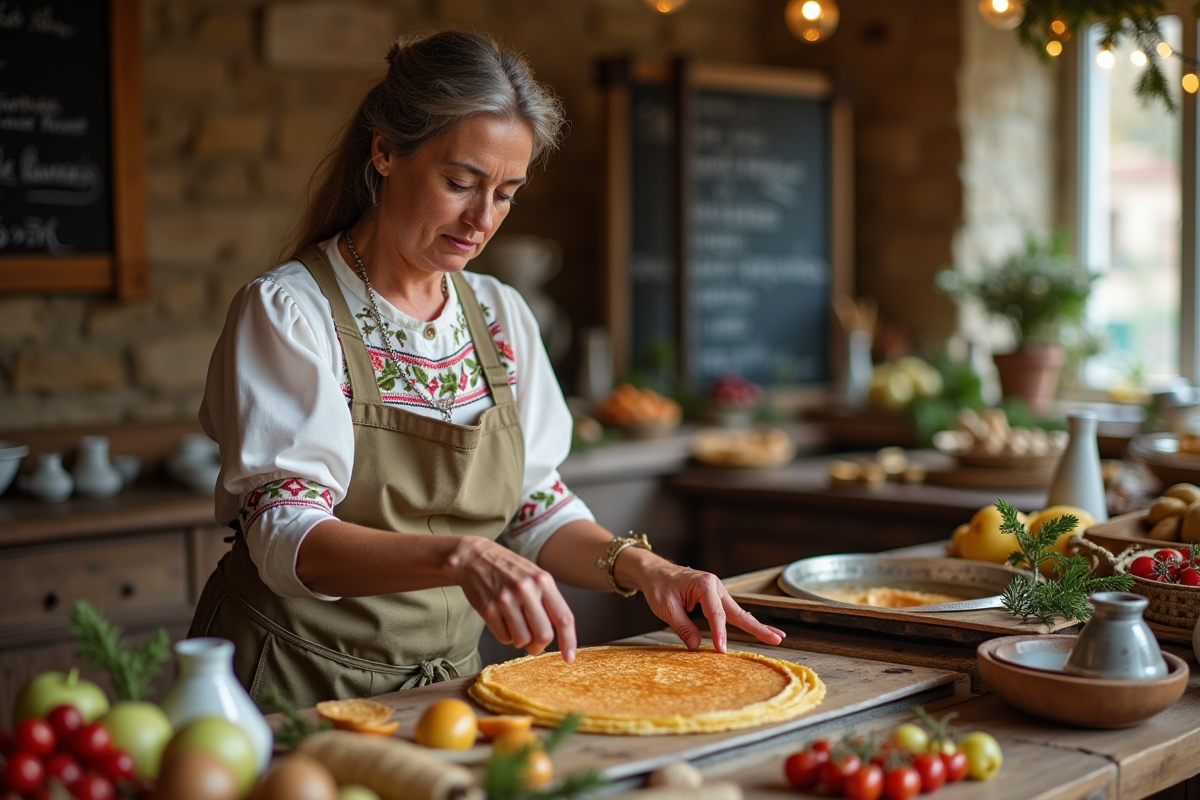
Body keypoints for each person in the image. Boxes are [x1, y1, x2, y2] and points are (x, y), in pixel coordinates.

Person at [190, 30, 784, 708]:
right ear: (384, 151)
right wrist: (461, 555)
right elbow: (285, 535)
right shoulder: (291, 313)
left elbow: (534, 507)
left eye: (506, 193)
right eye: (460, 183)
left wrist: (644, 568)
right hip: (293, 680)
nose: (482, 219)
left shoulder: (500, 317)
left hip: (445, 686)